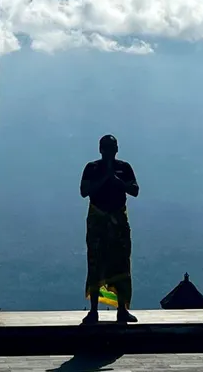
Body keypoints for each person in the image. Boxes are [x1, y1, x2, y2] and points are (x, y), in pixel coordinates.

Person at [80, 134, 139, 325]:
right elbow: (84, 191)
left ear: (116, 149)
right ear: (100, 149)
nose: (108, 151)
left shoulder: (124, 167)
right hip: (98, 222)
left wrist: (117, 181)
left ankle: (122, 309)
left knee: (121, 263)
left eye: (111, 147)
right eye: (105, 147)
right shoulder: (92, 168)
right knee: (95, 264)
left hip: (118, 222)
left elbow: (135, 190)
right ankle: (93, 311)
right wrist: (104, 178)